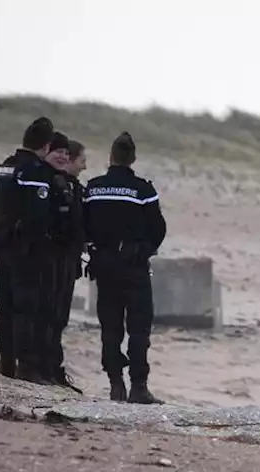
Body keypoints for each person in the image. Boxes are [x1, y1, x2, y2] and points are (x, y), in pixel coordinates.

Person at [83, 131, 167, 404]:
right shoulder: (143, 190)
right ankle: (139, 387)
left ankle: (115, 383)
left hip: (104, 266)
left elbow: (82, 225)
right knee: (139, 328)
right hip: (133, 267)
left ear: (111, 157)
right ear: (133, 158)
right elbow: (158, 229)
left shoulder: (93, 188)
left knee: (110, 327)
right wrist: (144, 249)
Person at [0, 116, 55, 381]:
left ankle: (6, 361)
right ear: (46, 146)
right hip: (26, 248)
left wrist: (2, 232)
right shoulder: (36, 172)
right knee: (26, 306)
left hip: (2, 242)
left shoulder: (5, 167)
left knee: (5, 304)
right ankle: (25, 365)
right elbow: (38, 216)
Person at [42, 137, 88, 392]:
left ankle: (52, 368)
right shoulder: (56, 185)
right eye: (81, 161)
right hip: (54, 258)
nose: (84, 166)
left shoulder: (73, 187)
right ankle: (44, 368)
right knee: (50, 313)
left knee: (59, 316)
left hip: (68, 259)